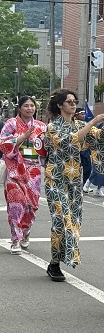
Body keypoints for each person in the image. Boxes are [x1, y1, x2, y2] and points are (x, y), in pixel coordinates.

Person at [44, 89, 104, 282]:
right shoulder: (53, 126)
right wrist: (92, 122)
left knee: (73, 221)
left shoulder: (80, 124)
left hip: (74, 180)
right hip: (56, 178)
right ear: (60, 105)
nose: (73, 104)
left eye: (75, 101)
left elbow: (103, 139)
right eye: (69, 102)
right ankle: (55, 263)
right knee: (61, 220)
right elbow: (69, 142)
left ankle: (56, 261)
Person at [0, 96, 47, 254]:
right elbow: (3, 144)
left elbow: (46, 148)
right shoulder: (11, 123)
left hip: (33, 171)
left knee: (30, 206)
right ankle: (15, 239)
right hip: (15, 169)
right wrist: (23, 136)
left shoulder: (41, 126)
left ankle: (26, 230)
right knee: (16, 204)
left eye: (32, 106)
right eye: (26, 106)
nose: (29, 108)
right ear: (19, 108)